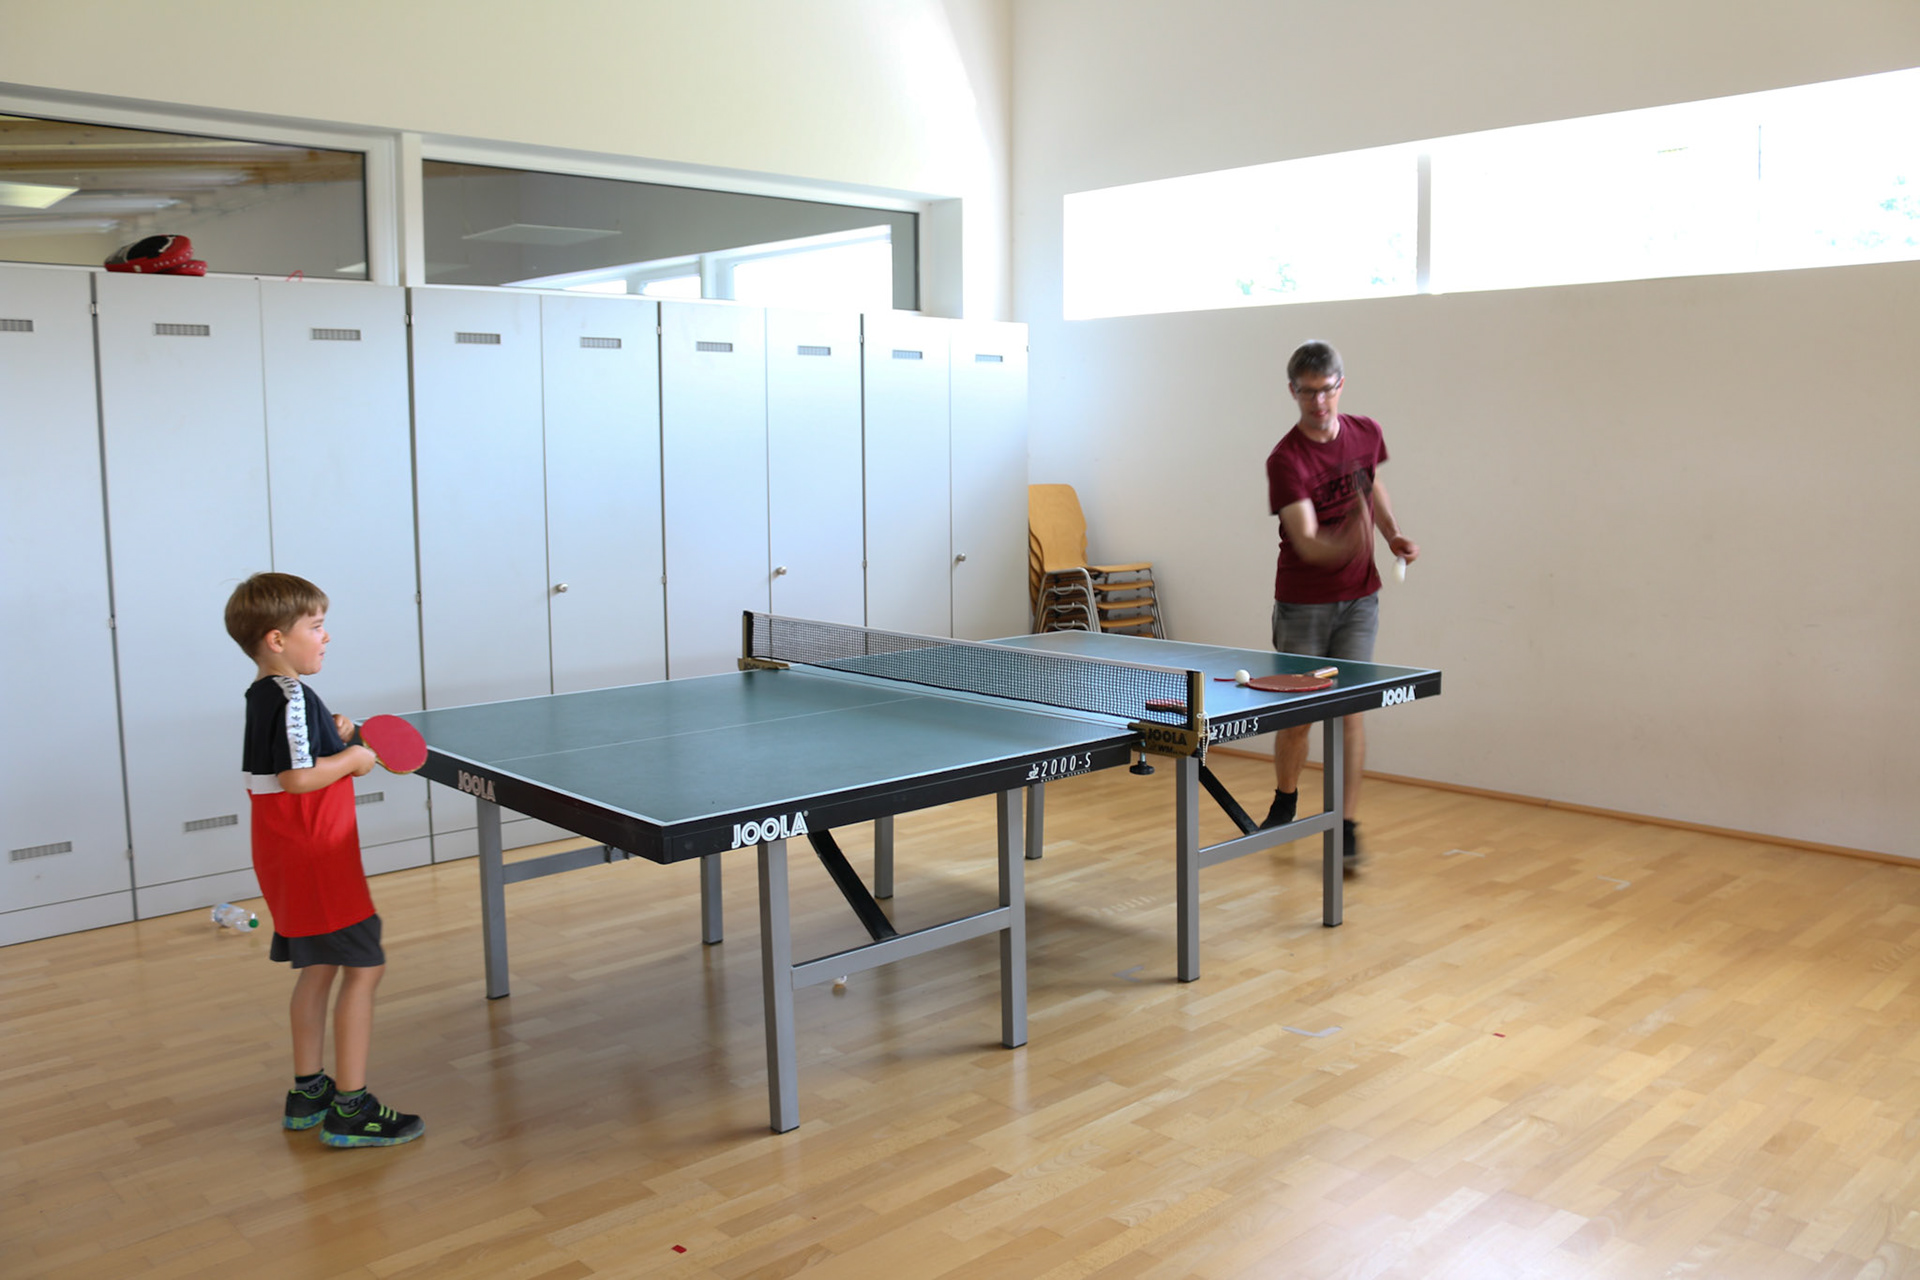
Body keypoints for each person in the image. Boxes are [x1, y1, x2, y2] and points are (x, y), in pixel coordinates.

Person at [223, 572, 424, 1148]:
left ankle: (309, 1091)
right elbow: (297, 776)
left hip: (285, 855)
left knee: (319, 967)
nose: (326, 636)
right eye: (316, 626)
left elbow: (290, 754)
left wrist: (334, 735)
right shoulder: (291, 694)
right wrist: (355, 758)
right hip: (316, 856)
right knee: (365, 966)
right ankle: (352, 1109)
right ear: (277, 639)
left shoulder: (266, 694)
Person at [1262, 341, 1420, 868]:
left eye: (1326, 390)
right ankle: (1286, 798)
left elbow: (1373, 487)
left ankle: (1346, 826)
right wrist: (1350, 537)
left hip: (1359, 600)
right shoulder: (1286, 459)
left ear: (1340, 386)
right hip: (1303, 604)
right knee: (1298, 717)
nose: (1318, 402)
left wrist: (1391, 535)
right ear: (1293, 392)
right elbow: (1307, 541)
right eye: (1307, 392)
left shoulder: (1366, 432)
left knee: (1351, 712)